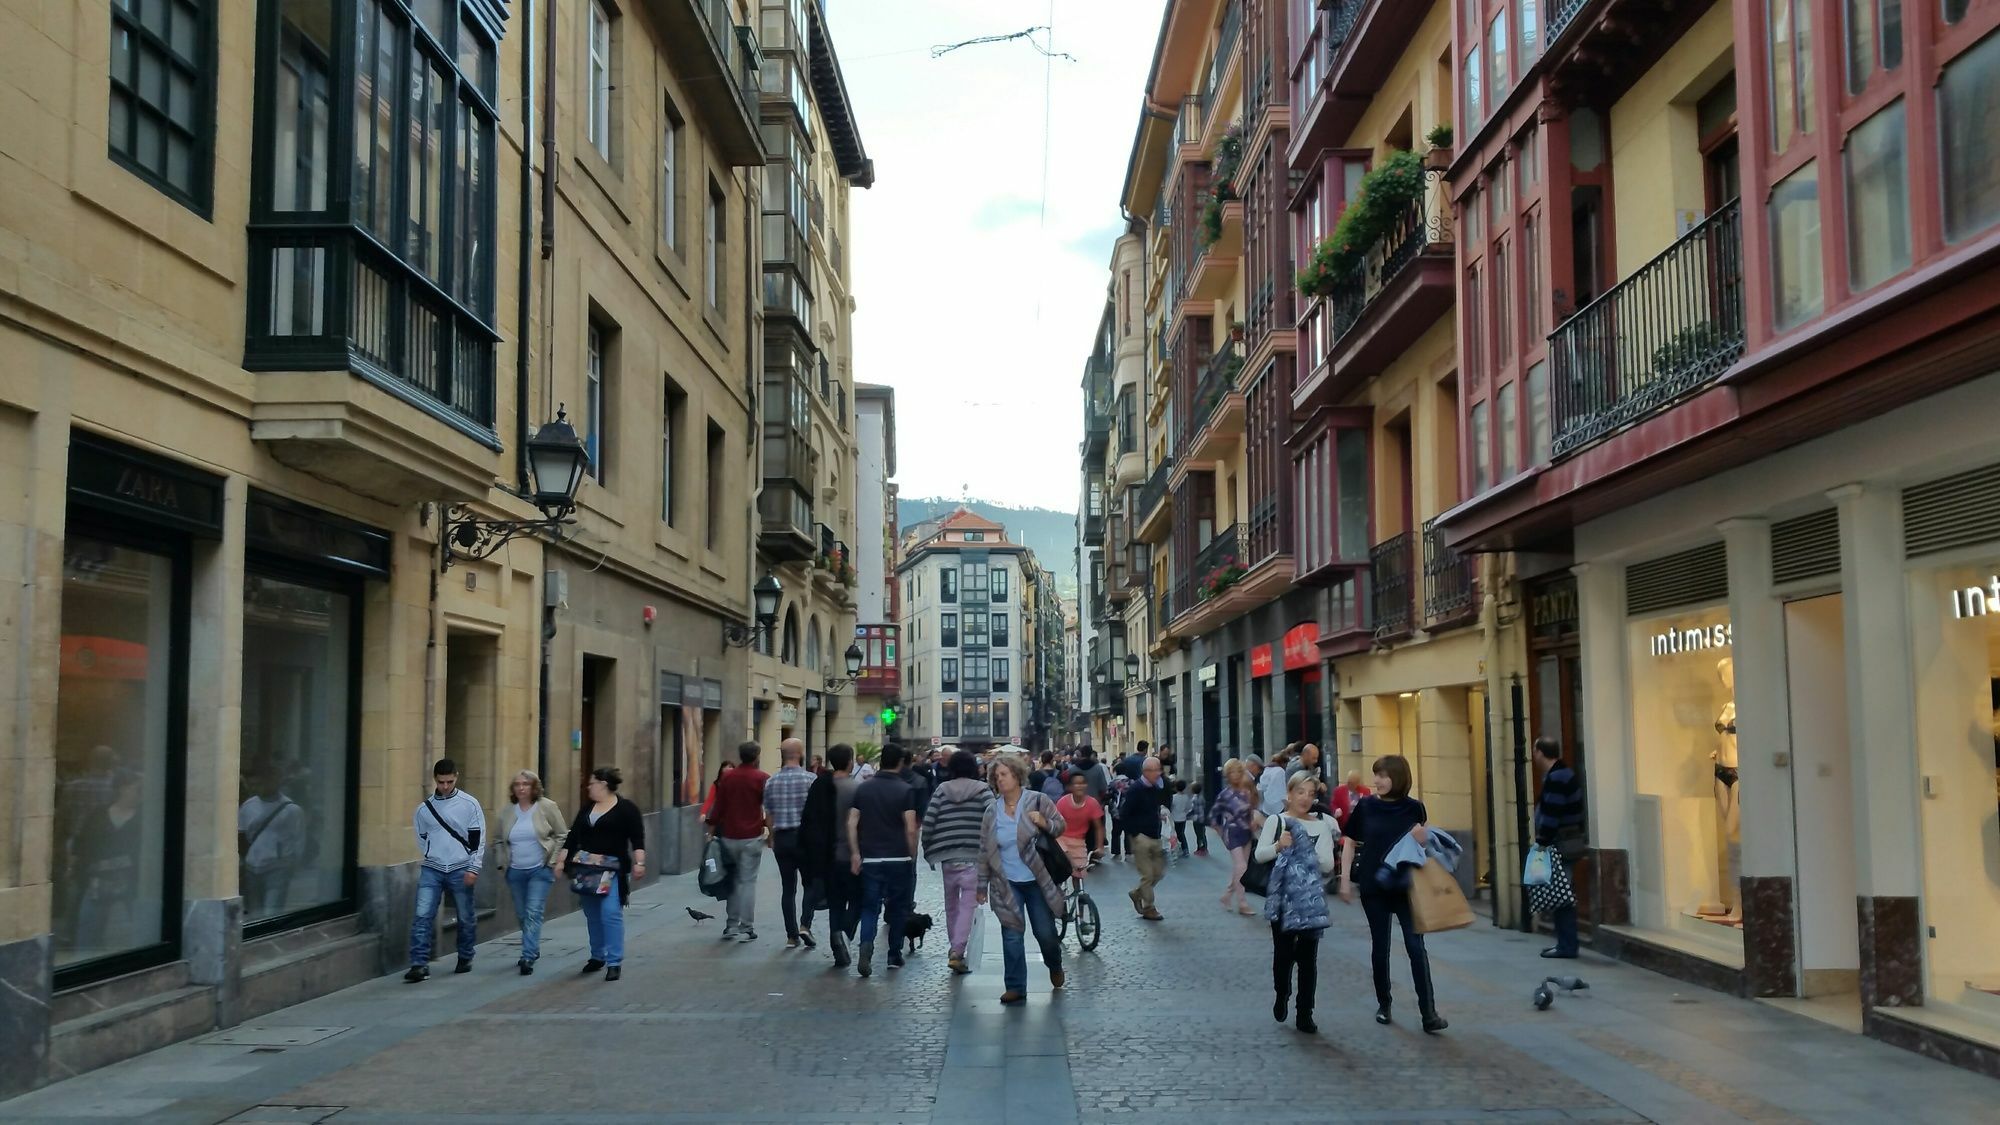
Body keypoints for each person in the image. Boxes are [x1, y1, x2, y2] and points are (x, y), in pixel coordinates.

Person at [1339, 754, 1447, 1033]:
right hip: (1374, 884)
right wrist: (1344, 880)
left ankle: (1428, 1013)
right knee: (1380, 946)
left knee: (1415, 947)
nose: (1377, 781)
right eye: (1376, 775)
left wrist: (1424, 837)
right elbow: (1350, 840)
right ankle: (1384, 1004)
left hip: (1407, 886)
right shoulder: (1366, 806)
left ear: (1398, 778)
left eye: (1384, 775)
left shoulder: (1414, 808)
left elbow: (1423, 846)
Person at [977, 752, 1067, 1004]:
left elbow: (1061, 826)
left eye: (1004, 774)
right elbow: (985, 850)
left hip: (1036, 880)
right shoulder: (991, 811)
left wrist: (1044, 822)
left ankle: (1054, 963)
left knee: (1045, 933)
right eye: (996, 776)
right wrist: (981, 886)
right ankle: (1015, 986)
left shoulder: (1038, 801)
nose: (1000, 780)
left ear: (1017, 775)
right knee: (1012, 934)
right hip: (1007, 883)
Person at [1259, 773, 1338, 1033]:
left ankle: (1305, 1012)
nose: (1305, 798)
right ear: (1289, 794)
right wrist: (1278, 847)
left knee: (1308, 959)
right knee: (1283, 954)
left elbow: (1328, 864)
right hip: (1282, 899)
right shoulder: (1277, 821)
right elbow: (1260, 855)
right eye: (1300, 792)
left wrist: (1306, 850)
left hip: (1310, 900)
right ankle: (1282, 994)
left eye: (1311, 793)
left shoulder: (1321, 825)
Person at [555, 766, 646, 982]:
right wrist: (560, 861)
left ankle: (614, 961)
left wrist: (640, 862)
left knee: (610, 912)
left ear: (603, 784)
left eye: (591, 783)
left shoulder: (626, 809)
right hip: (586, 869)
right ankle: (597, 956)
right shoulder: (587, 809)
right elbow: (572, 836)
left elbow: (637, 838)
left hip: (611, 870)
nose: (588, 787)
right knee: (592, 914)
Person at [405, 758, 485, 983]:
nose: (445, 786)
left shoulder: (470, 804)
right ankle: (419, 964)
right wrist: (432, 853)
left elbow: (477, 838)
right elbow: (421, 837)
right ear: (435, 781)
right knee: (422, 916)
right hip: (433, 867)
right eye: (441, 782)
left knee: (465, 915)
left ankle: (466, 955)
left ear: (456, 777)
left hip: (461, 866)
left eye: (449, 781)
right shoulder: (424, 809)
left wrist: (474, 867)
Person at [847, 743, 919, 977]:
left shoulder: (863, 789)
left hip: (870, 857)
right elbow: (910, 828)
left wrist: (856, 853)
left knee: (870, 906)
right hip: (898, 857)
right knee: (897, 908)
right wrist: (912, 854)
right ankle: (893, 955)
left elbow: (852, 822)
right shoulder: (905, 790)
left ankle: (865, 943)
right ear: (900, 762)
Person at [920, 749, 993, 974]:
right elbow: (993, 818)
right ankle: (957, 951)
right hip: (973, 855)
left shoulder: (942, 790)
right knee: (967, 905)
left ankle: (955, 948)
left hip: (948, 856)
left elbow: (929, 819)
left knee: (951, 904)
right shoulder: (983, 790)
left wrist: (928, 848)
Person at [799, 743, 862, 966]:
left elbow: (809, 821)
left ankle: (837, 938)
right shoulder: (856, 788)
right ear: (850, 762)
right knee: (858, 899)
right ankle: (844, 932)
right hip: (851, 854)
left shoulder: (820, 786)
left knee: (835, 901)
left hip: (827, 856)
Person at [498, 769, 566, 975]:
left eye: (525, 784)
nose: (521, 788)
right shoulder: (508, 811)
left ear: (534, 787)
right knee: (521, 913)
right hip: (515, 871)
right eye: (517, 784)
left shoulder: (547, 807)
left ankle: (527, 955)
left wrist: (553, 861)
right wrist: (501, 862)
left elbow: (562, 834)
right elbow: (498, 839)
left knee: (533, 911)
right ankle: (532, 947)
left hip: (540, 869)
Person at [706, 741, 770, 941]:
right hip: (751, 836)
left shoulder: (728, 778)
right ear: (757, 756)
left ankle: (731, 925)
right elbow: (768, 808)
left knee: (732, 881)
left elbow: (718, 807)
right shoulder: (762, 778)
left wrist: (711, 826)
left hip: (729, 837)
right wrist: (770, 831)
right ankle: (747, 926)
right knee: (748, 882)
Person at [1533, 736, 1587, 960]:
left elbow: (1552, 813)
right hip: (1565, 841)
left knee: (1561, 895)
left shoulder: (1557, 778)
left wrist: (1542, 842)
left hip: (1559, 844)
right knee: (1561, 893)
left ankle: (1566, 945)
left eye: (1534, 751)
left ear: (1539, 753)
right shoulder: (1563, 774)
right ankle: (1565, 943)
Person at [764, 738, 817, 949]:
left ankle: (791, 935)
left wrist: (772, 836)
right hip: (805, 838)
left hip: (783, 838)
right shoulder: (810, 779)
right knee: (810, 883)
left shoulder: (771, 781)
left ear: (782, 754)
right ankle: (805, 923)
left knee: (788, 888)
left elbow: (769, 814)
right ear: (801, 753)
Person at [237, 766, 306, 920]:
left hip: (279, 867)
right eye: (255, 784)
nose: (257, 787)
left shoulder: (292, 810)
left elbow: (299, 839)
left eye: (262, 783)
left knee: (271, 912)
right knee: (255, 912)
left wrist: (293, 863)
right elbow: (241, 835)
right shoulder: (248, 806)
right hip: (252, 867)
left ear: (275, 782)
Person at [1212, 759, 1257, 916]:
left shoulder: (1247, 792)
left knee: (1241, 868)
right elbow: (1213, 816)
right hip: (1232, 832)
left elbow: (1252, 811)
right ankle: (1242, 903)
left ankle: (1227, 895)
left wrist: (1254, 822)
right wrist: (1221, 834)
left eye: (1239, 771)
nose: (1236, 775)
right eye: (1232, 772)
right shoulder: (1225, 795)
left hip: (1246, 833)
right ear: (1227, 775)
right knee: (1241, 867)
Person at [1055, 770, 1104, 879]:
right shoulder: (1062, 802)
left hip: (1079, 842)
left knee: (1080, 873)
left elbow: (1098, 827)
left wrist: (1100, 847)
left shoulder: (1092, 803)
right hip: (1061, 838)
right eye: (1076, 783)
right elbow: (1056, 823)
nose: (1079, 786)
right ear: (1070, 787)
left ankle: (1079, 892)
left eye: (1082, 783)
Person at [1258, 749, 1292, 816]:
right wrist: (1287, 804)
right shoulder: (1280, 771)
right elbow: (1281, 791)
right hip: (1277, 805)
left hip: (1266, 805)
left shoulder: (1267, 770)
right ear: (1283, 763)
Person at [1187, 778, 1209, 856]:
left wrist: (1186, 815)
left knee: (1198, 834)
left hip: (1197, 819)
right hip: (1202, 818)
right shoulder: (1202, 797)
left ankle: (1201, 849)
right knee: (1203, 834)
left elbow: (1193, 810)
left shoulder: (1194, 798)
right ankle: (1204, 848)